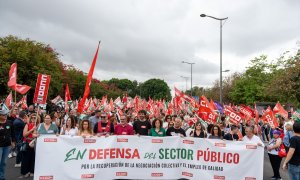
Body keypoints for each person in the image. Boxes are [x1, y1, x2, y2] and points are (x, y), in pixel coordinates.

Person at [19, 113, 40, 178]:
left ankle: (32, 171)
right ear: (30, 118)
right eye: (32, 118)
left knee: (33, 158)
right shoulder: (27, 125)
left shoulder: (39, 126)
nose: (33, 119)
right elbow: (24, 135)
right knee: (26, 158)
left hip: (36, 144)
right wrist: (31, 129)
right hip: (27, 143)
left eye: (35, 118)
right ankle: (25, 172)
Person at [0, 103, 15, 180]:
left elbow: (12, 133)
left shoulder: (9, 122)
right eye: (3, 115)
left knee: (4, 163)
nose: (5, 116)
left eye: (6, 115)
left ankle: (1, 177)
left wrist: (13, 142)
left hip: (7, 145)